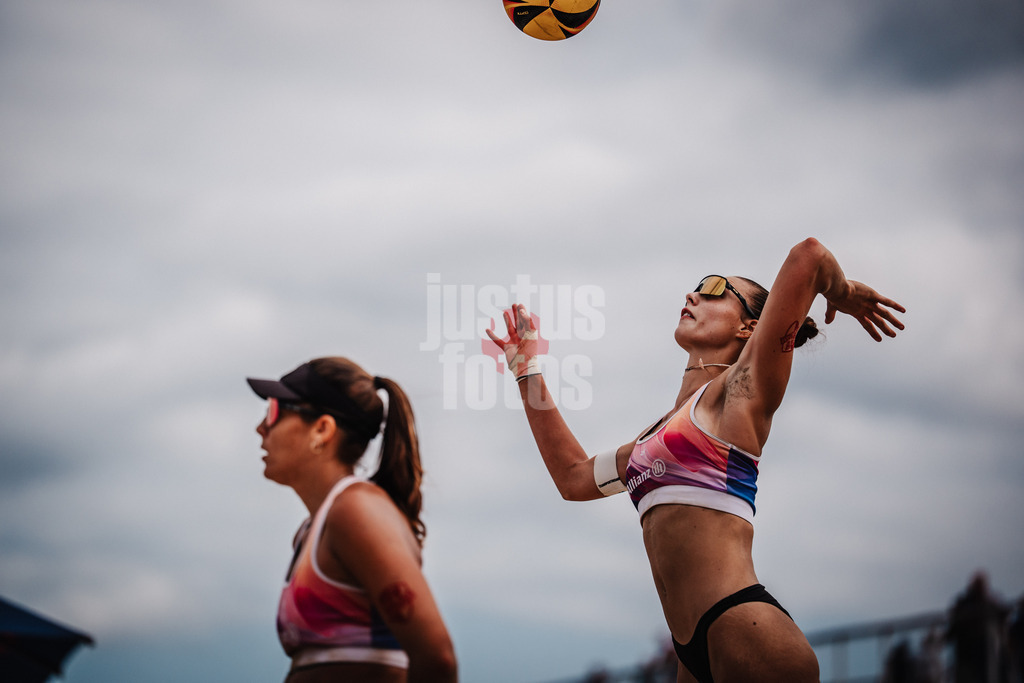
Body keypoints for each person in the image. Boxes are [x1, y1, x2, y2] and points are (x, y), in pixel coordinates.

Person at [486, 238, 905, 683]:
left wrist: (844, 294)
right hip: (690, 654)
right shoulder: (651, 442)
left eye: (715, 288)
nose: (693, 294)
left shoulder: (739, 393)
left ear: (748, 328)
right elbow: (572, 478)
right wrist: (526, 371)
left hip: (747, 628)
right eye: (696, 287)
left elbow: (811, 257)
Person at [247, 357, 458, 683]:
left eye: (275, 410)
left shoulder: (355, 511)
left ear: (323, 428)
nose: (261, 427)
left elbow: (437, 659)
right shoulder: (312, 529)